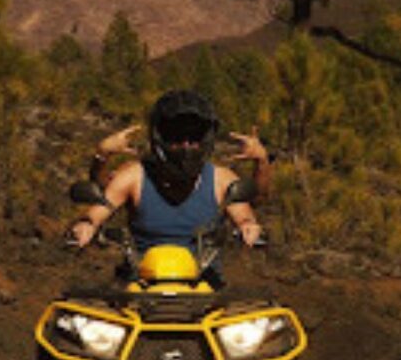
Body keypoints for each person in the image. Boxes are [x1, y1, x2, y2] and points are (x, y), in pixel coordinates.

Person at [69, 90, 270, 267]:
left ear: (206, 140)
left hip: (205, 289)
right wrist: (86, 225)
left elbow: (247, 211)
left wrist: (248, 227)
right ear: (160, 137)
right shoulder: (135, 176)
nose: (185, 146)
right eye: (176, 137)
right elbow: (100, 207)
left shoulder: (221, 180)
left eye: (194, 139)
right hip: (139, 287)